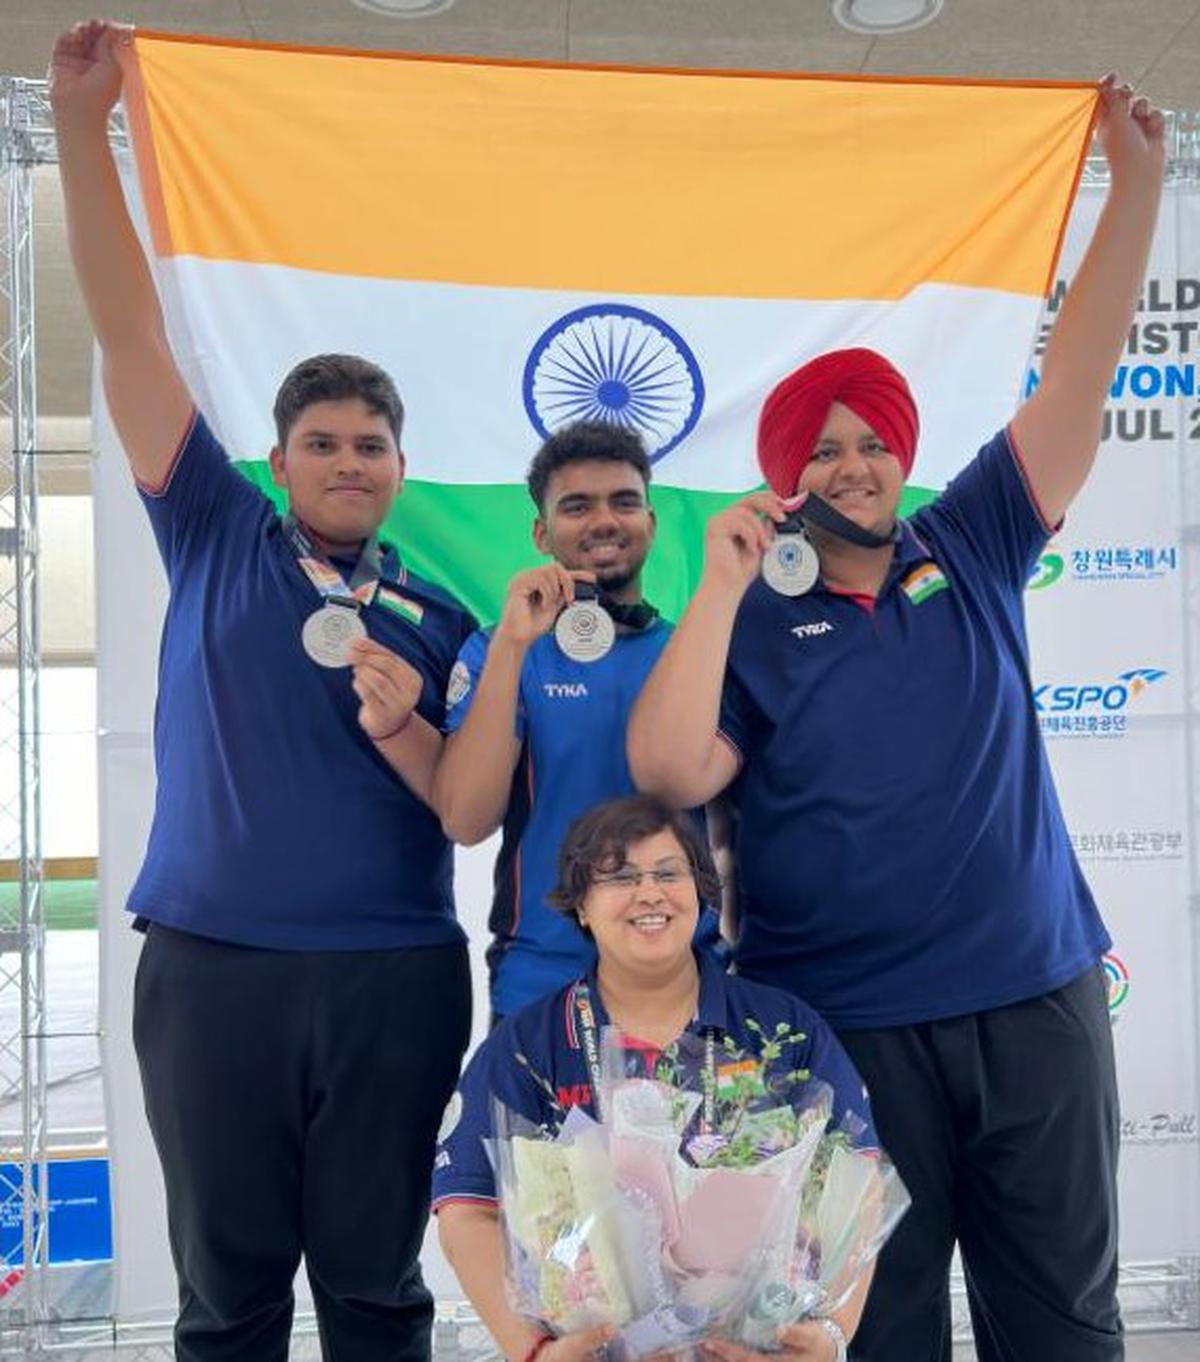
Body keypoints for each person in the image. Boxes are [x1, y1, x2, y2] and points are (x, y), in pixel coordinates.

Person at [627, 76, 1164, 1362]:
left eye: (871, 441)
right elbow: (665, 767)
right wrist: (713, 586)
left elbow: (1079, 372)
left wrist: (1132, 183)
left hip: (1033, 1001)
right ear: (783, 474)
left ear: (905, 454)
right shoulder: (747, 613)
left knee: (1066, 1326)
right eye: (820, 448)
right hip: (841, 1023)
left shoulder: (971, 538)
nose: (850, 465)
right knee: (874, 1334)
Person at [52, 20, 475, 1361]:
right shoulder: (215, 529)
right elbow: (127, 333)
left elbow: (474, 806)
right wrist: (82, 127)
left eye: (372, 443)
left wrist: (412, 711)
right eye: (322, 442)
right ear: (279, 461)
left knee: (373, 1291)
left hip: (393, 976)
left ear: (402, 466)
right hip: (213, 970)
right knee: (224, 1302)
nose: (349, 461)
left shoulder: (447, 614)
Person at [433, 796, 878, 1362]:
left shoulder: (783, 1030)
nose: (649, 893)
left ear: (700, 892)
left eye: (669, 873)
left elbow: (858, 1185)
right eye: (620, 877)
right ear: (582, 906)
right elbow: (467, 1211)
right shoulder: (527, 1049)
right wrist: (537, 1352)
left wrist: (831, 1337)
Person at [433, 421, 718, 1021]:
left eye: (624, 502)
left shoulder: (694, 651)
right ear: (542, 532)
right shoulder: (499, 651)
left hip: (683, 974)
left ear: (651, 521)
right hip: (545, 977)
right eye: (577, 506)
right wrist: (513, 645)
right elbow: (465, 818)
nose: (604, 521)